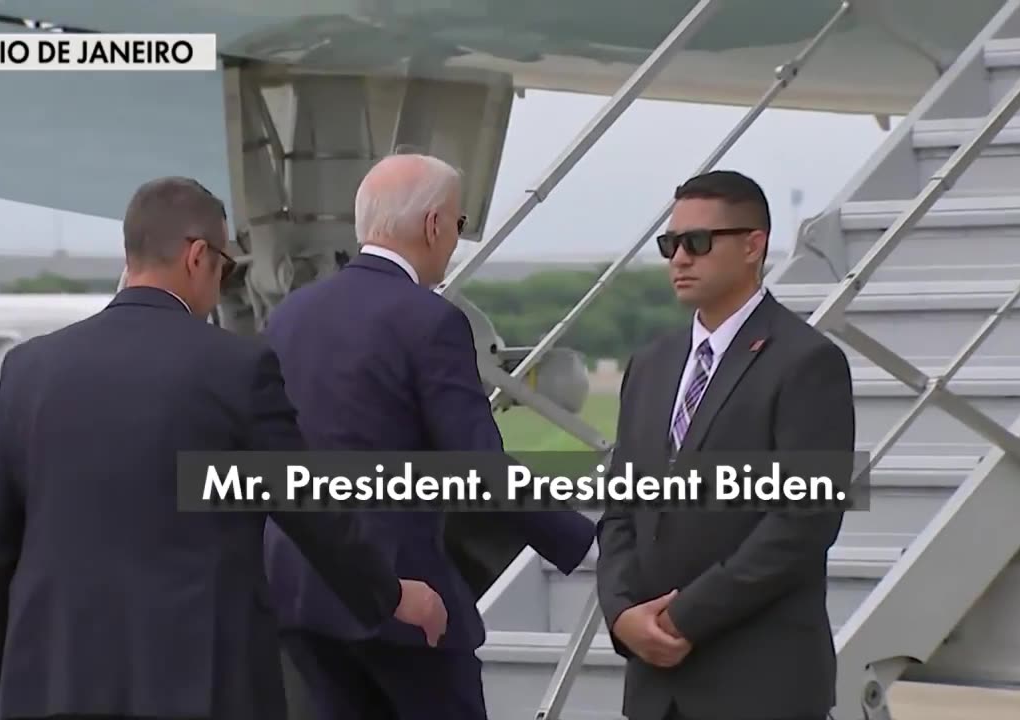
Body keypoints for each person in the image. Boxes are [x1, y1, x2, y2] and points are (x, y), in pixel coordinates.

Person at [0, 176, 448, 720]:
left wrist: (12, 667)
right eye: (225, 267)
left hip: (54, 683)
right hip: (199, 684)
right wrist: (390, 594)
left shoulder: (28, 369)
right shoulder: (236, 368)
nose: (222, 283)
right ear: (197, 256)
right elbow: (313, 509)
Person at [262, 153, 596, 720]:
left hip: (299, 589)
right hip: (405, 599)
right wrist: (583, 542)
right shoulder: (430, 319)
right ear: (434, 225)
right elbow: (478, 464)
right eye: (458, 226)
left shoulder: (291, 314)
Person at [594, 170, 855, 720]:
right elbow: (621, 511)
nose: (679, 259)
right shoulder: (650, 365)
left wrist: (683, 618)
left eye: (698, 242)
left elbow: (803, 522)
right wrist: (621, 615)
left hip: (759, 685)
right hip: (655, 689)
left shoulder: (807, 363)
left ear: (752, 246)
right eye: (670, 245)